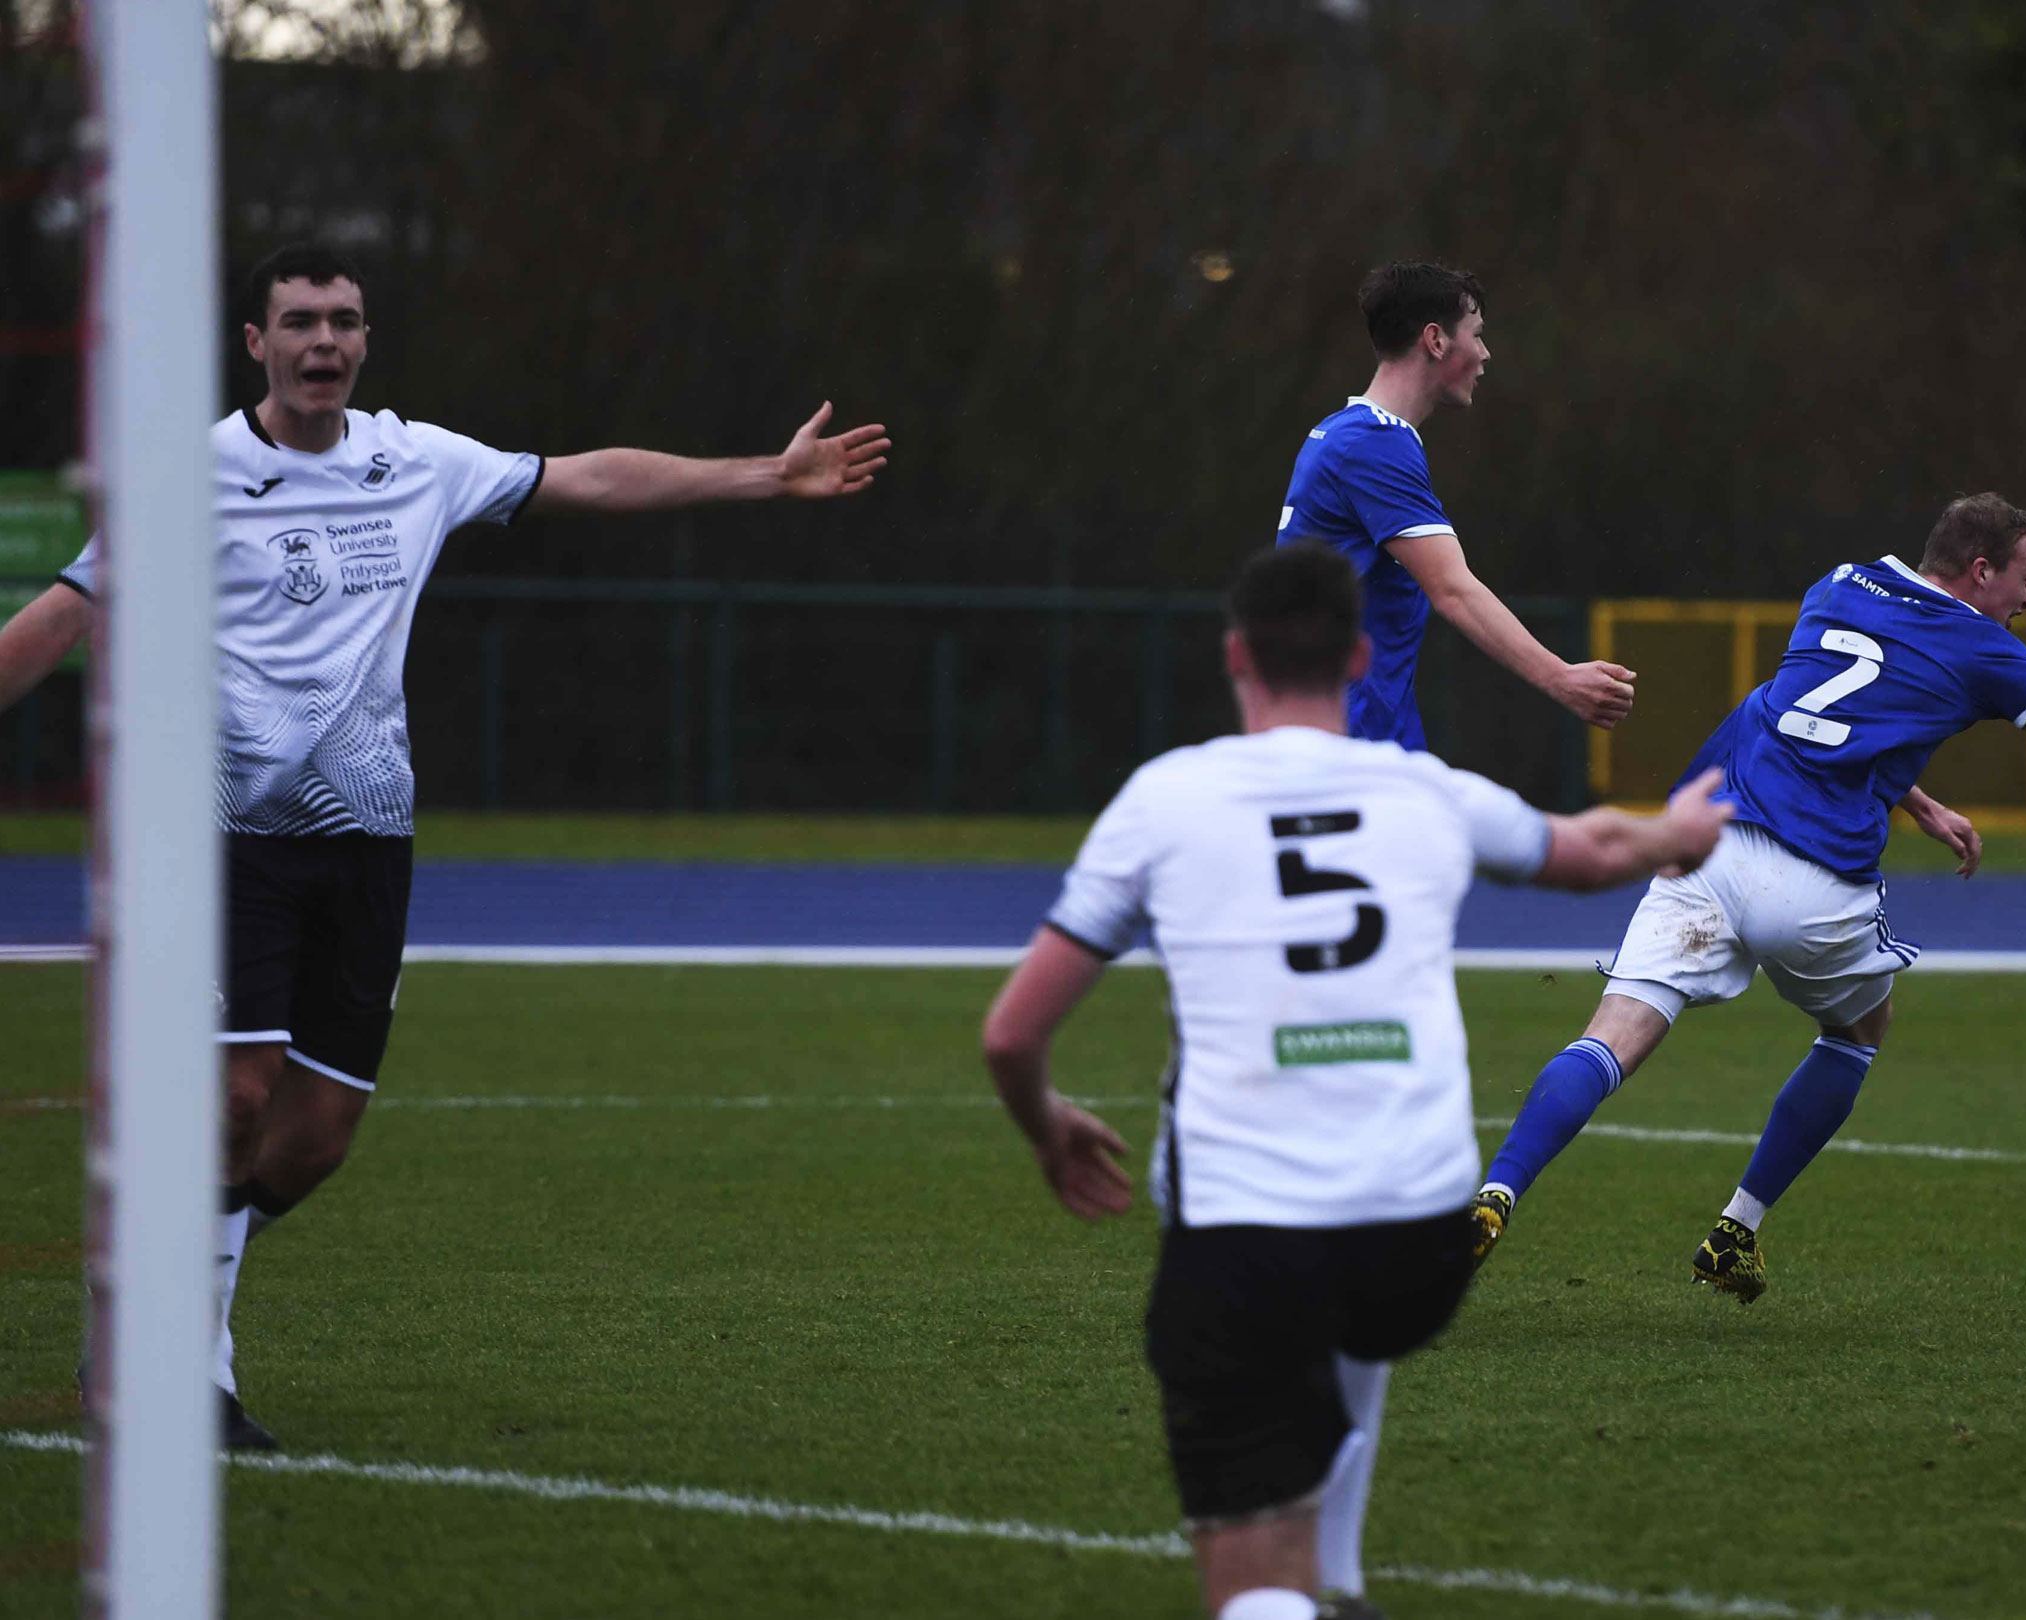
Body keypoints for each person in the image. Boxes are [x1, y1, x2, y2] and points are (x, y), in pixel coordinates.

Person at [0, 243, 889, 1448]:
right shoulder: (189, 479)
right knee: (238, 1098)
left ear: (366, 342)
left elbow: (589, 481)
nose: (325, 341)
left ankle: (152, 1279)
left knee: (313, 1142)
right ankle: (180, 1373)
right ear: (255, 344)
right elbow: (60, 616)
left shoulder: (411, 460)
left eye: (345, 321)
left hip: (370, 843)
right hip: (223, 840)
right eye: (300, 321)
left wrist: (760, 478)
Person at [979, 542, 1730, 1620]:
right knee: (1344, 1279)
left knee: (1246, 1570)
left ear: (1235, 656)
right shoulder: (1425, 791)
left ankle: (1292, 1586)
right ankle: (1336, 1577)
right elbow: (1594, 850)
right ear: (1364, 657)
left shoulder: (1167, 797)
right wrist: (1682, 830)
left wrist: (1048, 1126)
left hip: (1246, 1235)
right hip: (1420, 1239)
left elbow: (1012, 1036)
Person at [1468, 493, 2026, 1301]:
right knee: (1862, 1027)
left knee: (1612, 1037)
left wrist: (1920, 801)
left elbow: (1815, 710)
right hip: (1814, 883)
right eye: (2025, 577)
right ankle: (1736, 1229)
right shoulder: (1983, 648)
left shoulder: (1840, 583)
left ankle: (1496, 1194)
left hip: (1710, 841)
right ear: (1980, 570)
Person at [1276, 260, 1636, 747]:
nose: (1486, 354)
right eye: (1477, 334)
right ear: (1436, 340)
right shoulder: (1373, 442)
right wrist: (1560, 678)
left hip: (1351, 733)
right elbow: (1453, 589)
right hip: (1352, 741)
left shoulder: (1346, 434)